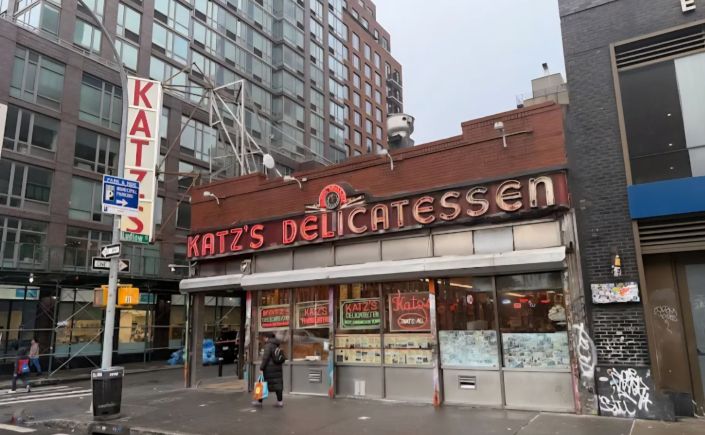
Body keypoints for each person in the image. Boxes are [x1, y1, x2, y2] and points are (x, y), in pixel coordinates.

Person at [254, 332, 284, 407]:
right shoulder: (277, 345)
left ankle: (259, 402)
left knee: (261, 384)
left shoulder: (268, 345)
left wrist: (261, 368)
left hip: (269, 369)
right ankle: (280, 402)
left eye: (264, 337)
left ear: (267, 337)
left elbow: (265, 358)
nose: (264, 339)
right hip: (277, 368)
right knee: (278, 385)